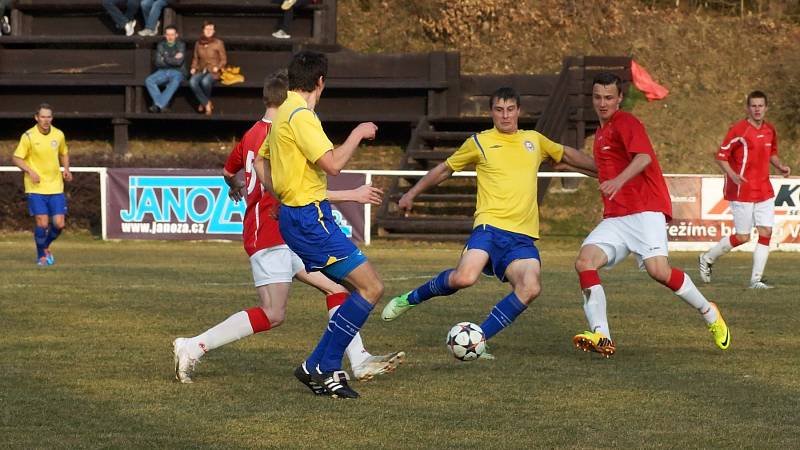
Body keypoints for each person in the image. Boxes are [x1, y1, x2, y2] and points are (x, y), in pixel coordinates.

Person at [172, 72, 404, 384]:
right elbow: (297, 192)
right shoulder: (287, 130)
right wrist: (350, 194)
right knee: (273, 313)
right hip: (272, 232)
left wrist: (237, 185)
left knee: (337, 288)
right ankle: (193, 346)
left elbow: (230, 172)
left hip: (288, 231)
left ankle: (359, 360)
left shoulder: (252, 134)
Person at [381, 87, 596, 356]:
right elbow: (445, 169)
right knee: (464, 278)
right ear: (491, 112)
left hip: (522, 237)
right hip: (489, 228)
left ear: (518, 111)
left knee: (531, 288)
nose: (505, 116)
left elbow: (567, 154)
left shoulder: (534, 140)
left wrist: (603, 171)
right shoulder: (479, 142)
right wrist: (411, 193)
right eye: (498, 110)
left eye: (510, 109)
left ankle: (478, 341)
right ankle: (410, 299)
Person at [570, 72, 729, 358]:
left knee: (659, 271)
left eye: (608, 97)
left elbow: (643, 158)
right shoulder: (602, 132)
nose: (602, 103)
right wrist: (570, 165)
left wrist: (619, 181)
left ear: (619, 98)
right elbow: (602, 170)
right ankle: (602, 335)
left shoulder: (626, 122)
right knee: (585, 262)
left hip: (645, 211)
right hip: (616, 217)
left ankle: (709, 311)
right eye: (597, 97)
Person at [266, 50, 382, 399]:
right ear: (321, 81)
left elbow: (263, 163)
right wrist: (358, 133)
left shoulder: (282, 111)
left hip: (298, 216)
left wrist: (281, 200)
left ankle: (318, 365)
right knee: (371, 288)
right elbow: (332, 164)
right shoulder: (301, 116)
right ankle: (324, 364)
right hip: (309, 220)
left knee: (351, 290)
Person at [698, 91, 791, 289]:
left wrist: (780, 166)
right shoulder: (739, 130)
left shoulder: (769, 130)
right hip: (742, 190)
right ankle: (707, 258)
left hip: (764, 189)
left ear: (766, 108)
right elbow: (721, 156)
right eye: (753, 106)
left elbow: (772, 152)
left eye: (760, 106)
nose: (757, 109)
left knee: (766, 231)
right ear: (747, 108)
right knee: (742, 237)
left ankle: (755, 280)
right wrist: (732, 175)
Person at [12, 104, 72, 266]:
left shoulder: (58, 134)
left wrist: (66, 169)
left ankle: (44, 246)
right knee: (42, 223)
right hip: (36, 187)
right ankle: (42, 256)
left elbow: (63, 152)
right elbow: (17, 158)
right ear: (36, 118)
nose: (46, 120)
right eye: (43, 117)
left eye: (49, 117)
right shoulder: (28, 136)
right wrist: (30, 171)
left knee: (59, 224)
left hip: (55, 186)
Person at [145, 25, 186, 113]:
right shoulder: (161, 45)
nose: (170, 37)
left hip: (178, 72)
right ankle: (161, 105)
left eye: (172, 34)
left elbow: (178, 63)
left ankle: (158, 105)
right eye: (168, 34)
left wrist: (165, 57)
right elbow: (158, 62)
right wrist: (173, 59)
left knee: (174, 81)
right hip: (163, 71)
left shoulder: (181, 45)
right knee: (149, 80)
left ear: (176, 35)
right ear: (165, 35)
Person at [190, 21, 226, 115]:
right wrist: (193, 67)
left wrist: (218, 67)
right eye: (207, 29)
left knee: (205, 82)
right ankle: (206, 102)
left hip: (214, 71)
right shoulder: (198, 43)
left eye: (211, 29)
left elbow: (223, 60)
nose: (209, 31)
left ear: (214, 31)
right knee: (192, 82)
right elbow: (195, 58)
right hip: (201, 69)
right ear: (203, 30)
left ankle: (203, 103)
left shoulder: (218, 43)